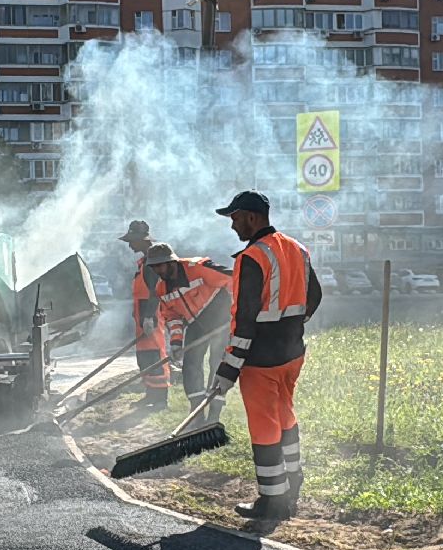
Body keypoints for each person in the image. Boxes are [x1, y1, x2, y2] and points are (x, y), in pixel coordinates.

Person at [205, 192, 321, 522]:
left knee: (264, 426)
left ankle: (272, 501)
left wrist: (227, 370)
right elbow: (316, 296)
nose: (232, 224)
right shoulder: (299, 249)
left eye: (236, 217)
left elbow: (244, 320)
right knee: (285, 415)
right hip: (292, 354)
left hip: (261, 360)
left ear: (253, 217)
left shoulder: (252, 258)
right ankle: (292, 482)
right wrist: (292, 325)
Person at [145, 243, 234, 425]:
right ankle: (196, 413)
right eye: (153, 267)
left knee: (218, 364)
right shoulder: (162, 288)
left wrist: (238, 312)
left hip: (220, 319)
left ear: (172, 262)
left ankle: (214, 414)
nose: (157, 270)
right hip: (195, 323)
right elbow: (172, 316)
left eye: (160, 265)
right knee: (191, 366)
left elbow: (234, 279)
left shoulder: (199, 268)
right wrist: (176, 343)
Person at [118, 220, 171, 409]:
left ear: (142, 240)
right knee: (145, 357)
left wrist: (149, 317)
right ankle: (151, 395)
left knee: (155, 355)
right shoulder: (144, 261)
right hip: (142, 317)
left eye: (132, 241)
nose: (130, 245)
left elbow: (155, 292)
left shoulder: (152, 262)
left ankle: (160, 399)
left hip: (151, 317)